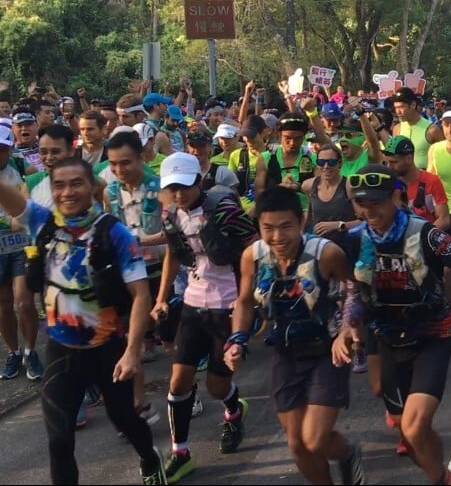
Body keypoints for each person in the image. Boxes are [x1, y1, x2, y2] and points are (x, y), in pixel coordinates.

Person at [0, 157, 167, 484]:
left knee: (125, 420)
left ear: (92, 187)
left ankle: (150, 458)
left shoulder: (114, 233)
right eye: (59, 185)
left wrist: (133, 351)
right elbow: (9, 198)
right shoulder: (43, 222)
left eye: (76, 183)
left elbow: (141, 296)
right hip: (62, 350)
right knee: (59, 439)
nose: (67, 191)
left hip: (109, 348)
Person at [339, 164, 451, 486]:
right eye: (362, 203)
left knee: (414, 428)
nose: (369, 210)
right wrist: (348, 325)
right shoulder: (353, 240)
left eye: (376, 202)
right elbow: (353, 290)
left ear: (396, 197)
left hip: (431, 336)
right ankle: (442, 477)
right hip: (387, 340)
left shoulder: (426, 234)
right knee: (412, 437)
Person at [228, 186, 364, 485]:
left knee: (314, 440)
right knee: (296, 445)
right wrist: (237, 338)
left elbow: (353, 292)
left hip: (328, 351)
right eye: (268, 228)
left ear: (302, 220)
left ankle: (348, 453)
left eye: (286, 227)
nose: (278, 237)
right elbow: (244, 300)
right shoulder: (252, 256)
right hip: (286, 353)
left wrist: (346, 333)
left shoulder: (326, 253)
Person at [151, 152, 258, 482]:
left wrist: (253, 292)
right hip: (193, 305)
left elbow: (254, 244)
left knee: (216, 385)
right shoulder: (170, 214)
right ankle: (180, 452)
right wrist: (161, 298)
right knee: (179, 381)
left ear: (199, 182)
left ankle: (234, 410)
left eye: (185, 187)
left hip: (228, 308)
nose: (179, 194)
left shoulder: (225, 211)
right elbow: (172, 253)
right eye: (172, 188)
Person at [104, 130, 167, 422]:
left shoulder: (161, 187)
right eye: (113, 164)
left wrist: (141, 241)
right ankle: (138, 401)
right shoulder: (111, 192)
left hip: (161, 271)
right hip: (129, 275)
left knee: (169, 337)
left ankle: (183, 388)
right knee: (132, 338)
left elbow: (176, 230)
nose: (119, 170)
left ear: (141, 156)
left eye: (125, 162)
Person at [0, 126, 40, 381]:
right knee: (3, 307)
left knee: (24, 302)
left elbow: (37, 188)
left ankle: (31, 350)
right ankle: (13, 353)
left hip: (22, 243)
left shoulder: (20, 164)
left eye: (3, 148)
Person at [393, 87, 444, 169]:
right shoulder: (397, 129)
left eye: (401, 107)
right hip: (402, 179)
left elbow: (443, 158)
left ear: (413, 105)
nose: (398, 111)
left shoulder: (432, 130)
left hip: (426, 179)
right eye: (396, 107)